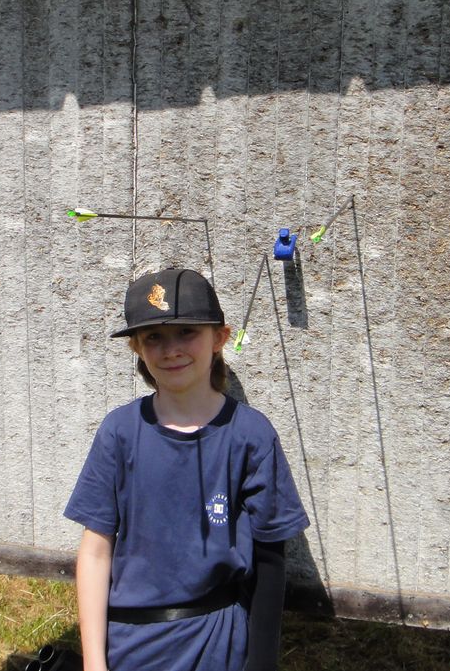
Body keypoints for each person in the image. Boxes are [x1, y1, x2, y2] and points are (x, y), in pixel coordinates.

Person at [64, 267, 310, 671]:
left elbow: (270, 560)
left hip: (218, 644)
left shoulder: (251, 435)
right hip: (131, 647)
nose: (171, 350)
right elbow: (94, 551)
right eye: (153, 337)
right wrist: (94, 662)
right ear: (136, 348)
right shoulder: (119, 432)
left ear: (220, 338)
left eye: (187, 332)